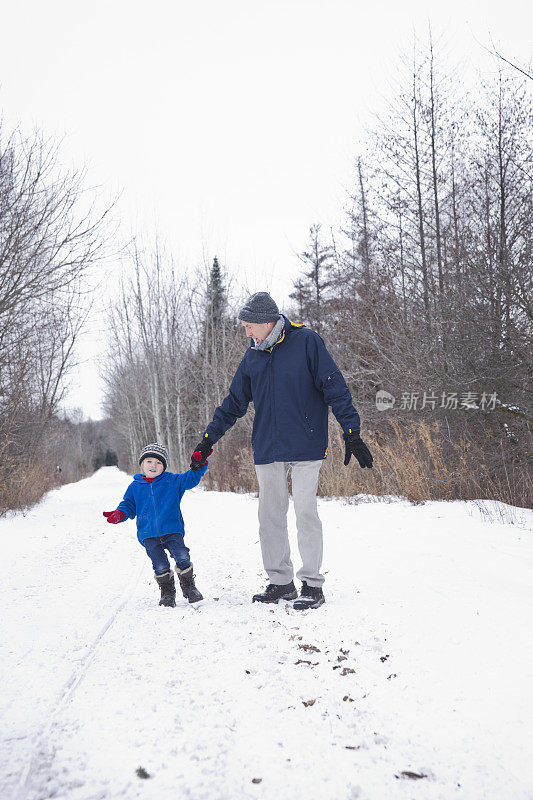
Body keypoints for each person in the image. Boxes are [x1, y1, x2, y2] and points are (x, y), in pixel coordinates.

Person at [190, 292, 373, 610]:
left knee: (305, 513)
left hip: (306, 443)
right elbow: (233, 403)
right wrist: (208, 440)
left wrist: (351, 432)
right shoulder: (252, 357)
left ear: (266, 322)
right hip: (268, 447)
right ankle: (281, 582)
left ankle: (312, 585)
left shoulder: (306, 342)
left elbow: (335, 388)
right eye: (244, 326)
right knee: (269, 516)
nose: (246, 332)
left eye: (249, 326)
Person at [103, 442, 211, 607]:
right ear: (142, 464)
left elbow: (191, 478)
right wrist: (120, 514)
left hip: (172, 530)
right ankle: (167, 592)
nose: (153, 466)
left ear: (164, 466)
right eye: (149, 461)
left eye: (158, 462)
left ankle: (189, 587)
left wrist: (200, 464)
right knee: (160, 565)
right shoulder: (135, 487)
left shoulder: (173, 481)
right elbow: (128, 505)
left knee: (182, 555)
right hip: (148, 535)